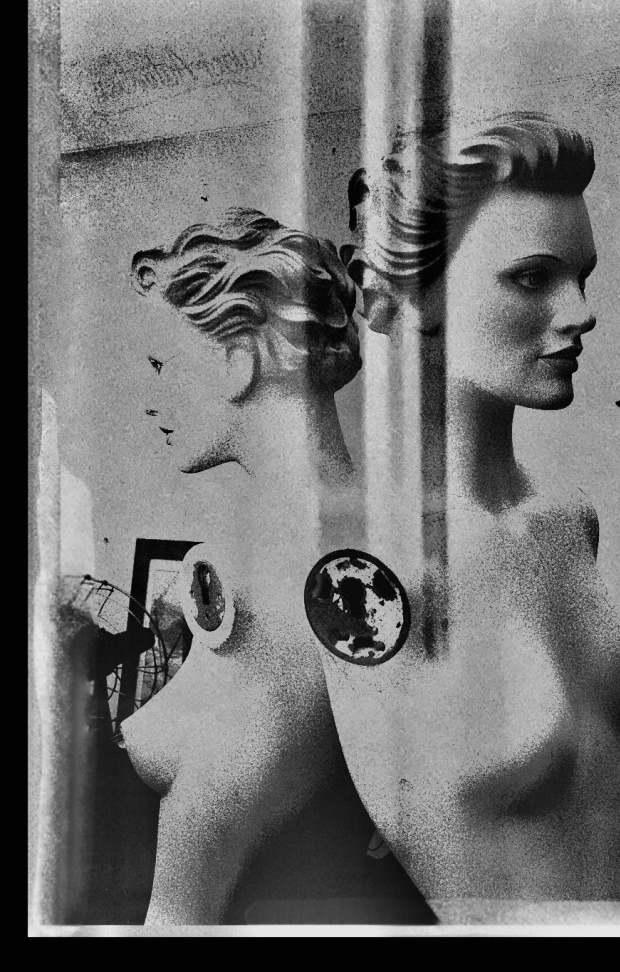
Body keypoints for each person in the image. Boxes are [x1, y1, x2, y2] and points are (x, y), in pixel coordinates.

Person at [316, 113, 620, 921]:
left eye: (581, 277)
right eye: (532, 278)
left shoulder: (566, 523)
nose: (580, 313)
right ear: (387, 298)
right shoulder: (353, 566)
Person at [120, 207, 433, 925]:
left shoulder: (292, 571)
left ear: (239, 361)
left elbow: (190, 877)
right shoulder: (374, 538)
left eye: (160, 365)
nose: (148, 399)